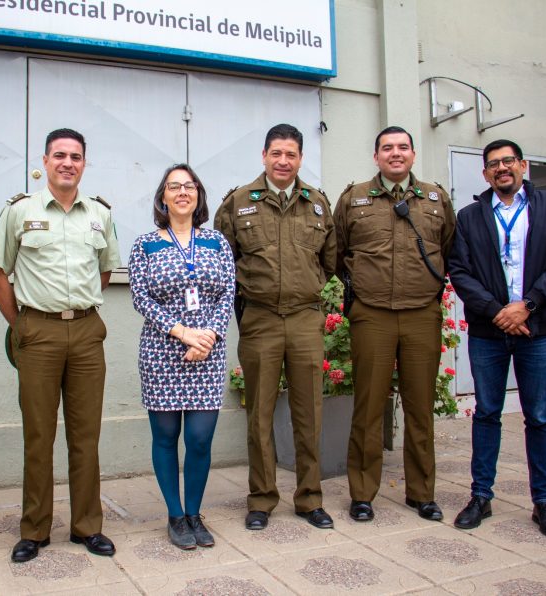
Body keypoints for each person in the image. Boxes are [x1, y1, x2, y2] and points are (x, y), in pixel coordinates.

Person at [0, 128, 121, 561]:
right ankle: (34, 529)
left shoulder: (99, 214)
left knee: (86, 436)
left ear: (84, 163)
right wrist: (22, 325)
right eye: (59, 155)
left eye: (76, 156)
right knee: (38, 435)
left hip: (85, 332)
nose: (67, 162)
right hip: (37, 332)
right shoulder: (19, 212)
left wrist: (76, 309)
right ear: (44, 161)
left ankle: (87, 526)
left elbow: (104, 272)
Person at [449, 139, 546, 539]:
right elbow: (460, 270)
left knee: (538, 416)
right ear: (485, 174)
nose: (502, 168)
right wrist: (497, 312)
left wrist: (528, 304)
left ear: (522, 165)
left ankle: (544, 502)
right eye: (494, 164)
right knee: (487, 412)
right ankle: (481, 496)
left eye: (509, 161)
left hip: (537, 330)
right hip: (490, 332)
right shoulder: (469, 217)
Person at [214, 123, 336, 531]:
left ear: (300, 159)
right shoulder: (237, 203)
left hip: (304, 318)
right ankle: (262, 498)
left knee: (310, 415)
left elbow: (331, 261)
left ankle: (310, 498)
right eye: (276, 153)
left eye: (291, 154)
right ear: (264, 156)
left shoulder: (317, 203)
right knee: (260, 415)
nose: (283, 161)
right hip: (261, 319)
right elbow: (221, 263)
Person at [333, 126, 456, 523]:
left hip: (422, 313)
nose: (396, 154)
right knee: (368, 408)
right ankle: (363, 494)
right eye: (388, 148)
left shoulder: (436, 199)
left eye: (403, 147)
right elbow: (336, 253)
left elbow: (450, 251)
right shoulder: (353, 199)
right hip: (372, 314)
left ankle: (421, 494)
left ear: (413, 155)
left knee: (420, 408)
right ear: (376, 156)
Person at [128, 164, 235, 549]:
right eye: (174, 186)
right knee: (166, 436)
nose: (182, 192)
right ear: (163, 197)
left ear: (198, 196)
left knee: (200, 438)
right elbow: (140, 296)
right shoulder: (145, 244)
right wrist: (182, 332)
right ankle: (175, 516)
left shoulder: (217, 243)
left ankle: (194, 512)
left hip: (207, 352)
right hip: (161, 352)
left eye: (189, 186)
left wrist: (207, 336)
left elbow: (228, 293)